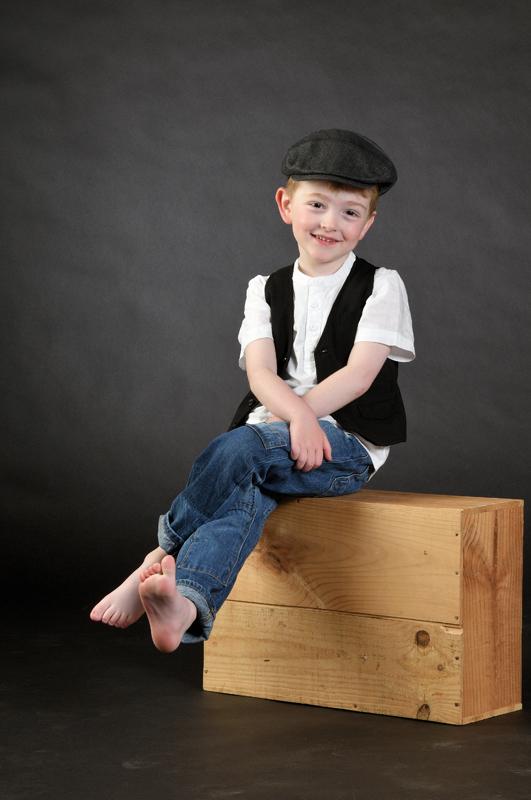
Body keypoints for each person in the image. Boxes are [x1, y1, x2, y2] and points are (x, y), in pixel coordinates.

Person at [90, 128, 415, 653]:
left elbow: (360, 374)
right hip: (274, 436)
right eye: (317, 205)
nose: (331, 223)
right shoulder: (264, 289)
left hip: (346, 445)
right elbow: (261, 374)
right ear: (286, 205)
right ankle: (187, 607)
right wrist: (296, 418)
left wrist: (304, 419)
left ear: (368, 223)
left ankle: (155, 555)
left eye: (350, 212)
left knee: (240, 448)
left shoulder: (381, 285)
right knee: (245, 495)